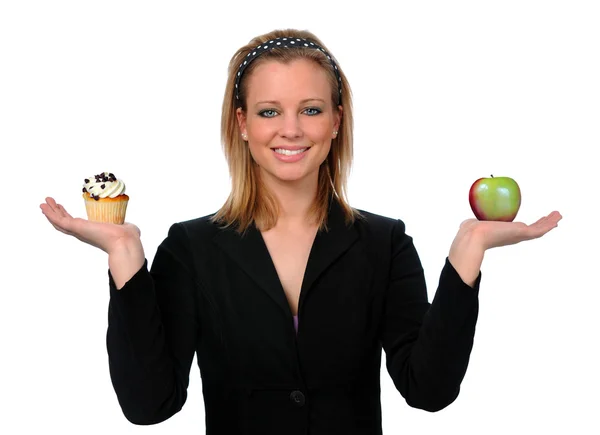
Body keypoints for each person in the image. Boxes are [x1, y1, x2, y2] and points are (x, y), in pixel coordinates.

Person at [40, 28, 562, 434]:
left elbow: (427, 389)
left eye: (310, 110)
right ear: (242, 123)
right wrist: (125, 252)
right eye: (270, 111)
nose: (291, 129)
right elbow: (149, 406)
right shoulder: (191, 249)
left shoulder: (384, 244)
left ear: (336, 121)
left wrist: (469, 249)